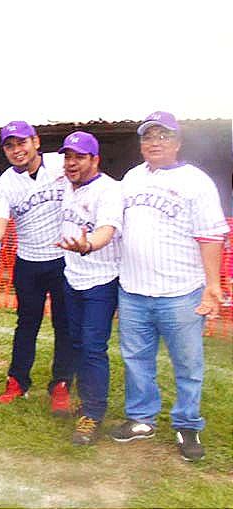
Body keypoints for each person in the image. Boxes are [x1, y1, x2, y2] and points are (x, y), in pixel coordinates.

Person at [109, 112, 228, 461]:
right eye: (148, 137)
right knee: (136, 358)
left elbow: (211, 235)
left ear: (177, 143)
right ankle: (141, 418)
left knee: (188, 364)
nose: (155, 142)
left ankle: (187, 424)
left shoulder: (197, 181)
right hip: (133, 289)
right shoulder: (130, 178)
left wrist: (212, 285)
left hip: (180, 292)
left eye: (163, 136)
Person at [0, 120, 74, 416]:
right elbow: (0, 223)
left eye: (21, 142)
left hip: (64, 261)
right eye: (10, 145)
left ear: (36, 141)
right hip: (28, 262)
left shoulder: (60, 163)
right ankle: (17, 382)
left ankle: (61, 384)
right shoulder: (7, 182)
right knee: (27, 324)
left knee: (65, 325)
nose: (17, 150)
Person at [53, 131, 122, 445]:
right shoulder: (67, 184)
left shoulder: (108, 190)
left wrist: (87, 245)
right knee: (78, 344)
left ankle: (92, 414)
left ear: (95, 159)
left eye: (79, 157)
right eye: (67, 156)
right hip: (73, 278)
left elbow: (107, 229)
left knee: (93, 347)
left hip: (101, 280)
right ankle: (86, 401)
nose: (71, 163)